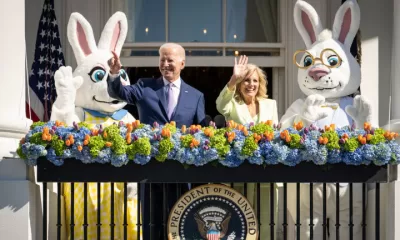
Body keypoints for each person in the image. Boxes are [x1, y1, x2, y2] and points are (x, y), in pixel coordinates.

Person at [107, 42, 206, 239]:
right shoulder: (145, 86)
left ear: (182, 63)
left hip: (180, 173)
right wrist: (114, 74)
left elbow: (200, 132)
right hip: (150, 170)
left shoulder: (196, 96)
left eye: (171, 60)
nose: (166, 64)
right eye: (162, 60)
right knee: (152, 227)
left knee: (180, 227)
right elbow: (120, 93)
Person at [216, 55, 279, 239]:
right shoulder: (232, 104)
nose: (250, 84)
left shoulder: (270, 104)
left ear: (260, 84)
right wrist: (233, 79)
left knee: (266, 223)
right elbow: (220, 105)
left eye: (255, 80)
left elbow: (274, 134)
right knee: (238, 222)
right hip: (239, 173)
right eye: (246, 80)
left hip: (265, 173)